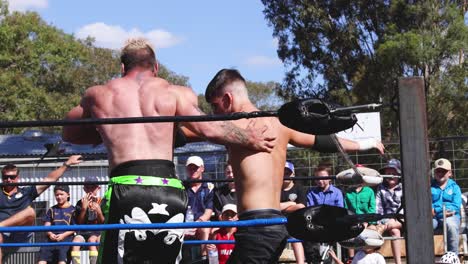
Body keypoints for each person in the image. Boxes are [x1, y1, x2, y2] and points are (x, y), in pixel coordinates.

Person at [62, 38, 275, 264]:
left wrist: (106, 131)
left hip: (126, 187)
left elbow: (69, 133)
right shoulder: (175, 93)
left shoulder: (99, 94)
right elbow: (208, 127)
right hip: (168, 189)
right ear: (156, 67)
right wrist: (249, 138)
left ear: (122, 68)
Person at [203, 69, 385, 263]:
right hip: (274, 224)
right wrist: (366, 143)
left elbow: (196, 127)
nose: (214, 114)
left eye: (215, 106)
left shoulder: (233, 126)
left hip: (257, 227)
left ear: (227, 99)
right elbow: (321, 141)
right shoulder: (280, 123)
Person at [0, 155, 82, 263]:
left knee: (30, 212)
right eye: (5, 177)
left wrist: (66, 164)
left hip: (20, 232)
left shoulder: (26, 192)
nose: (9, 180)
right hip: (2, 235)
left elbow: (49, 180)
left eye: (12, 177)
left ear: (18, 177)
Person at [304, 164, 344, 263]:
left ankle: (329, 257)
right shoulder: (311, 192)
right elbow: (310, 210)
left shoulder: (337, 192)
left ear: (330, 178)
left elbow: (339, 210)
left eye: (323, 178)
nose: (319, 181)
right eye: (317, 178)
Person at [182, 156, 214, 262]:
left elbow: (209, 211)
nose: (192, 170)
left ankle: (203, 259)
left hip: (201, 222)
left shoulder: (209, 187)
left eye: (195, 168)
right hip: (184, 223)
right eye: (190, 168)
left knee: (205, 228)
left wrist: (198, 223)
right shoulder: (182, 187)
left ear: (202, 169)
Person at [343, 164, 376, 262]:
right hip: (353, 220)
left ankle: (370, 257)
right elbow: (346, 209)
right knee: (350, 230)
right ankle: (351, 259)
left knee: (372, 230)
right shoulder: (348, 192)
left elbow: (372, 209)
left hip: (368, 221)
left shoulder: (369, 191)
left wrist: (366, 222)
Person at [375, 159, 403, 264]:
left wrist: (392, 220)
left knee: (396, 225)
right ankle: (398, 262)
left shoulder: (403, 188)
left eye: (394, 173)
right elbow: (378, 207)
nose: (390, 176)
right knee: (395, 231)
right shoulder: (381, 188)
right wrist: (380, 220)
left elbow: (404, 208)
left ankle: (382, 229)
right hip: (385, 219)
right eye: (388, 173)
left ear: (399, 174)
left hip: (401, 219)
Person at [71, 176, 105, 264]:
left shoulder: (103, 202)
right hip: (83, 232)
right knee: (75, 242)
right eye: (87, 187)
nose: (90, 190)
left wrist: (99, 211)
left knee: (92, 240)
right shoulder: (80, 203)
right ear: (84, 189)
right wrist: (83, 208)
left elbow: (103, 223)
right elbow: (79, 223)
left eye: (93, 187)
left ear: (98, 188)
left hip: (97, 233)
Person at [38, 185, 75, 264]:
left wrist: (63, 235)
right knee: (42, 259)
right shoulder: (51, 209)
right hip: (50, 239)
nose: (59, 197)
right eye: (57, 195)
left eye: (61, 194)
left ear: (68, 194)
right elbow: (47, 226)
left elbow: (74, 228)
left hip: (66, 239)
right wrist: (50, 234)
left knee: (62, 260)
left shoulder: (73, 210)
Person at [431, 158, 461, 254]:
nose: (440, 174)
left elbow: (456, 206)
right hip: (433, 217)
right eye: (438, 171)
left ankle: (453, 256)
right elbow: (426, 203)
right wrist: (433, 210)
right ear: (434, 173)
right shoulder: (428, 186)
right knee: (424, 226)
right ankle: (425, 255)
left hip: (450, 216)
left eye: (443, 171)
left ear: (450, 173)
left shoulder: (455, 187)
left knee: (451, 225)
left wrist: (437, 209)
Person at [280, 161, 306, 264]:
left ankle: (300, 262)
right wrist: (291, 203)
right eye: (283, 173)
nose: (285, 175)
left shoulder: (299, 188)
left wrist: (282, 206)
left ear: (293, 174)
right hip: (278, 223)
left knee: (295, 237)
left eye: (288, 173)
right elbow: (274, 206)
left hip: (294, 221)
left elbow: (302, 206)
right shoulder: (276, 189)